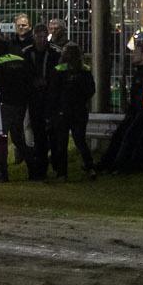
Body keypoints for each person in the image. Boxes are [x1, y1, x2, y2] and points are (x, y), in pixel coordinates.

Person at [45, 43, 94, 180]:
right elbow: (91, 90)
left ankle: (62, 173)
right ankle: (90, 167)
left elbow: (53, 93)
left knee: (61, 143)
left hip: (63, 111)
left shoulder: (58, 70)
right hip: (80, 110)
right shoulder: (85, 70)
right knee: (80, 140)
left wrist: (50, 112)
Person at [19, 23, 60, 181]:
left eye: (44, 36)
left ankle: (56, 166)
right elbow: (24, 74)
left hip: (50, 98)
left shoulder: (55, 52)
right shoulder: (27, 53)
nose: (42, 40)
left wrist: (48, 83)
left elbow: (58, 72)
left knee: (53, 134)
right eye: (39, 36)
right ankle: (41, 169)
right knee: (39, 135)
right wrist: (33, 83)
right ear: (34, 36)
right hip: (35, 98)